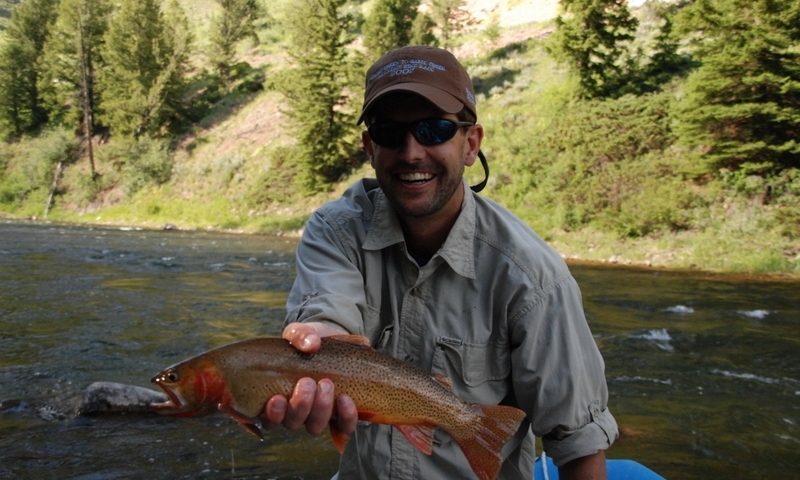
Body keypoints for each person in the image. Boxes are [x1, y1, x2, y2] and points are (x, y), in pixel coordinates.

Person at [260, 45, 618, 479]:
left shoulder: (531, 277)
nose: (411, 152)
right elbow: (326, 314)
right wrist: (319, 341)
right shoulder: (336, 231)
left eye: (434, 130)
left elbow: (578, 443)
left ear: (471, 144)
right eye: (391, 132)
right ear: (370, 148)